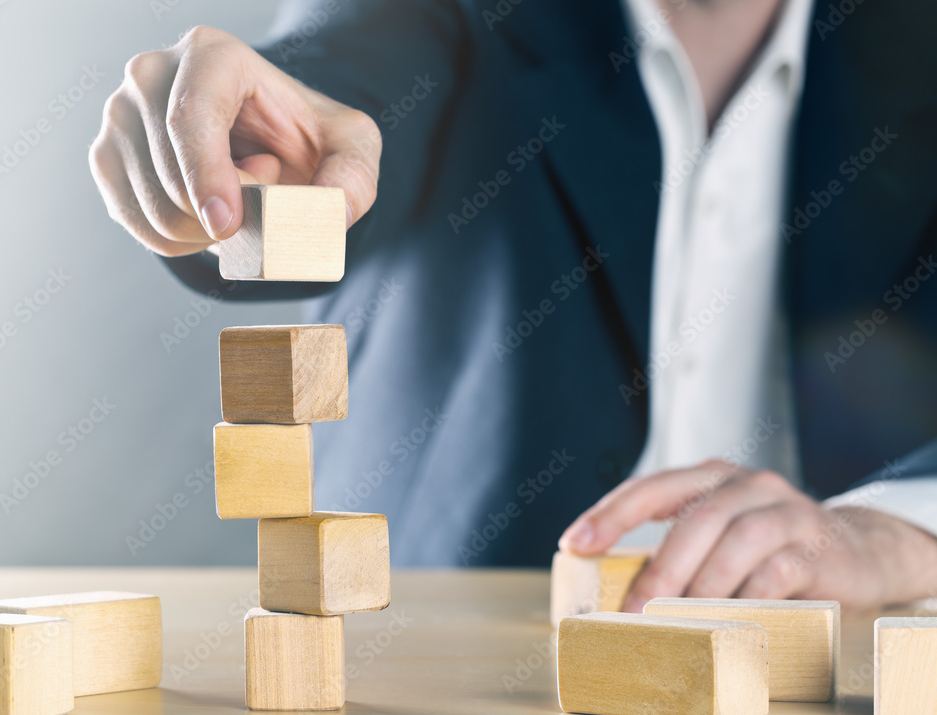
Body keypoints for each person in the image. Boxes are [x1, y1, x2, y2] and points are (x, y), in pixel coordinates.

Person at [88, 0, 937, 612]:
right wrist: (241, 142)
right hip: (439, 674)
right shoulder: (449, 19)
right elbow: (343, 74)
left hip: (815, 687)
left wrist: (897, 526)